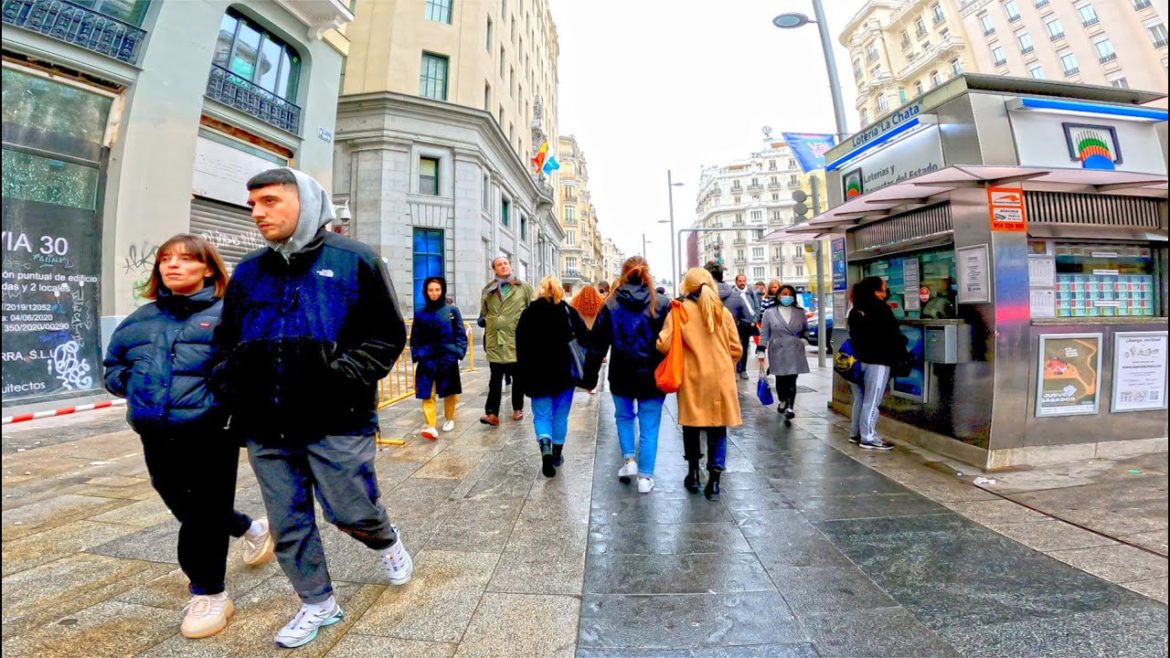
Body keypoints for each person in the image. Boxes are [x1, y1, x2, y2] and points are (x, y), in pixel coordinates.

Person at [211, 167, 410, 649]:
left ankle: (384, 539)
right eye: (252, 203)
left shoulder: (355, 260)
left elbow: (387, 334)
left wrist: (339, 377)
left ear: (305, 201)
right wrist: (232, 385)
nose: (257, 212)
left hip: (338, 419)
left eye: (270, 201)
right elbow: (226, 341)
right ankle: (318, 603)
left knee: (350, 510)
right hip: (265, 425)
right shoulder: (249, 271)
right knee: (288, 520)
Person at [104, 235, 274, 640]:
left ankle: (209, 594)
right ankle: (251, 529)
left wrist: (223, 398)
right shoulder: (141, 319)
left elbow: (253, 368)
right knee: (180, 500)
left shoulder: (230, 315)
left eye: (184, 259)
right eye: (165, 259)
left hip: (211, 429)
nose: (172, 266)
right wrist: (133, 384)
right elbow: (113, 367)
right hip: (155, 430)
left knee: (202, 514)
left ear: (209, 269)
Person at [583, 256, 670, 494]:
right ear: (647, 274)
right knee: (650, 426)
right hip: (653, 375)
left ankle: (629, 461)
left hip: (621, 373)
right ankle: (645, 477)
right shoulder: (662, 303)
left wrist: (589, 378)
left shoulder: (611, 303)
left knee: (624, 417)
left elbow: (596, 345)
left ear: (623, 274)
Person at [657, 267, 742, 501]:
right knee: (718, 427)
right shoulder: (722, 312)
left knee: (691, 426)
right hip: (721, 378)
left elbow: (664, 345)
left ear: (687, 286)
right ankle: (714, 482)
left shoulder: (679, 310)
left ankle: (693, 474)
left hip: (693, 378)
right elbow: (736, 348)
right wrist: (724, 362)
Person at [515, 276, 589, 477]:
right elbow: (585, 338)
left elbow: (520, 346)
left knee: (542, 415)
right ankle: (557, 454)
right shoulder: (568, 311)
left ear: (539, 291)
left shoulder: (528, 313)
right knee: (560, 416)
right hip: (565, 375)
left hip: (537, 374)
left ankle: (545, 449)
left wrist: (522, 374)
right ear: (559, 291)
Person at [846, 276, 909, 451]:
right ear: (875, 292)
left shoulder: (855, 309)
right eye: (883, 289)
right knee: (872, 399)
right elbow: (893, 337)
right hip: (878, 361)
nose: (886, 292)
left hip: (857, 362)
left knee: (859, 398)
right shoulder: (882, 309)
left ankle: (855, 433)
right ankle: (869, 437)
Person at [410, 276, 467, 439]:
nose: (434, 293)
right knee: (427, 391)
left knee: (449, 390)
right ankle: (430, 425)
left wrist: (457, 352)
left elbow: (460, 334)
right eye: (430, 290)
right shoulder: (420, 314)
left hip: (447, 356)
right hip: (427, 357)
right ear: (425, 292)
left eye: (437, 289)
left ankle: (449, 418)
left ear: (442, 290)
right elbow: (415, 337)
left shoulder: (452, 311)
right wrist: (417, 354)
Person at [479, 256, 533, 426]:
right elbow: (484, 312)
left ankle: (518, 408)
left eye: (505, 263)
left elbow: (532, 312)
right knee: (495, 378)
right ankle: (492, 413)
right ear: (494, 269)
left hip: (517, 340)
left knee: (518, 377)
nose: (503, 266)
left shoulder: (523, 287)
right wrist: (490, 323)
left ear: (510, 266)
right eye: (499, 264)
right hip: (495, 340)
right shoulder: (488, 289)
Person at [757, 284, 810, 422]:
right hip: (777, 350)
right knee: (781, 379)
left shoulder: (800, 312)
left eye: (789, 294)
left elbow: (806, 330)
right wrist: (761, 349)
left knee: (792, 379)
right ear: (779, 296)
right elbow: (764, 333)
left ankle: (790, 407)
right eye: (784, 294)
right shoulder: (769, 313)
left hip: (794, 349)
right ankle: (782, 400)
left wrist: (804, 339)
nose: (787, 297)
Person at [704, 263, 754, 380]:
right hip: (729, 343)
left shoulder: (696, 297)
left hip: (706, 348)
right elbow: (749, 316)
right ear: (722, 275)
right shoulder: (737, 296)